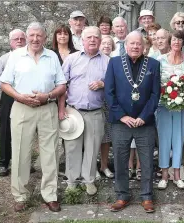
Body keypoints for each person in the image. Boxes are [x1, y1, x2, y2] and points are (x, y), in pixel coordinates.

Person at [0, 22, 67, 213]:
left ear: (45, 38)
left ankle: (50, 194)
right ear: (27, 37)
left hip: (47, 108)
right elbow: (4, 83)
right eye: (32, 35)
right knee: (20, 151)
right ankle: (20, 195)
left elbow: (62, 85)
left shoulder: (52, 56)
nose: (35, 39)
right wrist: (20, 96)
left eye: (39, 36)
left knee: (50, 153)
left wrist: (49, 96)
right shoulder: (15, 56)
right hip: (22, 108)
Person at [105, 31, 161, 213]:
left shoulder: (153, 64)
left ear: (144, 46)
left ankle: (146, 196)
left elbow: (155, 94)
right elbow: (109, 92)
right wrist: (122, 116)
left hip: (145, 122)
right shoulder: (114, 63)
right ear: (125, 45)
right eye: (132, 43)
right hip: (121, 122)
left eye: (139, 44)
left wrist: (143, 117)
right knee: (120, 161)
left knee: (146, 161)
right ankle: (122, 195)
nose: (135, 47)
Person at [57, 26, 110, 196]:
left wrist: (103, 84)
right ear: (82, 40)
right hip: (73, 112)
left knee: (92, 147)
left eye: (96, 37)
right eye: (89, 37)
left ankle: (89, 180)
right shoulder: (72, 59)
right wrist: (61, 108)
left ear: (100, 41)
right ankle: (72, 181)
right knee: (72, 148)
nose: (92, 40)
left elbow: (114, 87)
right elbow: (61, 86)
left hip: (95, 111)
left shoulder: (108, 61)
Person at [156, 30, 184, 190]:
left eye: (179, 40)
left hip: (182, 108)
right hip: (163, 107)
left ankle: (177, 176)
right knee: (164, 140)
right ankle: (165, 176)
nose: (176, 43)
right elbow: (156, 82)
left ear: (182, 43)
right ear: (169, 41)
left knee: (179, 140)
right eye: (174, 39)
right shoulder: (160, 60)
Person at [0, 29, 26, 177]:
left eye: (22, 39)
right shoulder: (4, 59)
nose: (19, 41)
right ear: (10, 42)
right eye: (16, 39)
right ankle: (4, 163)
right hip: (8, 97)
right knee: (5, 129)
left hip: (26, 97)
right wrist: (10, 88)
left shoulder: (31, 58)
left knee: (25, 130)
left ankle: (24, 162)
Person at [97, 34, 115, 179]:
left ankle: (104, 165)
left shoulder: (114, 62)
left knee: (106, 137)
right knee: (94, 137)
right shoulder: (94, 60)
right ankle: (92, 167)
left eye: (109, 43)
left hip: (108, 104)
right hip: (96, 103)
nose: (106, 46)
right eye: (104, 43)